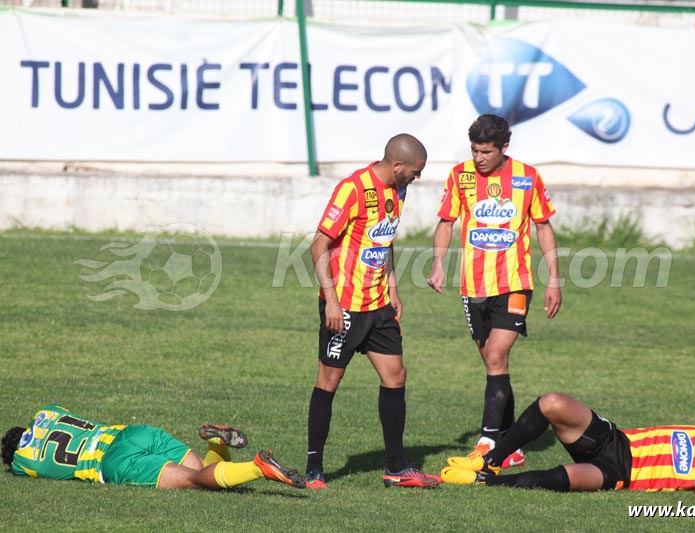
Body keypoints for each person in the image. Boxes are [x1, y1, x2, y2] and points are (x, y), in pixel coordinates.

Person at [306, 133, 441, 489]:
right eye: (415, 171)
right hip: (345, 307)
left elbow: (385, 240)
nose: (417, 177)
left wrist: (393, 288)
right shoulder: (352, 189)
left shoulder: (399, 190)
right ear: (397, 166)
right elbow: (318, 244)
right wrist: (331, 300)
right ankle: (314, 469)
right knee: (329, 382)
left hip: (379, 304)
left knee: (396, 376)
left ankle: (396, 468)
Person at [427, 114, 562, 468]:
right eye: (474, 150)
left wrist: (555, 279)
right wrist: (438, 263)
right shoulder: (460, 176)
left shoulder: (527, 177)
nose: (479, 157)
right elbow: (446, 222)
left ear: (504, 148)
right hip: (473, 287)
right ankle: (512, 446)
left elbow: (544, 228)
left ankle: (488, 441)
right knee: (493, 364)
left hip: (515, 284)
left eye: (486, 151)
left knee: (497, 357)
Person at [441, 392, 695, 494]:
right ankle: (488, 460)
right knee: (552, 402)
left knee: (563, 478)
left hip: (620, 472)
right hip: (616, 440)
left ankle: (485, 480)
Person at [1, 403, 306, 489]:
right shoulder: (47, 415)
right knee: (203, 469)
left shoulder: (23, 462)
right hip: (133, 433)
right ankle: (216, 441)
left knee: (195, 481)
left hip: (111, 463)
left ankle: (258, 468)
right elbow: (49, 411)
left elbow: (18, 462)